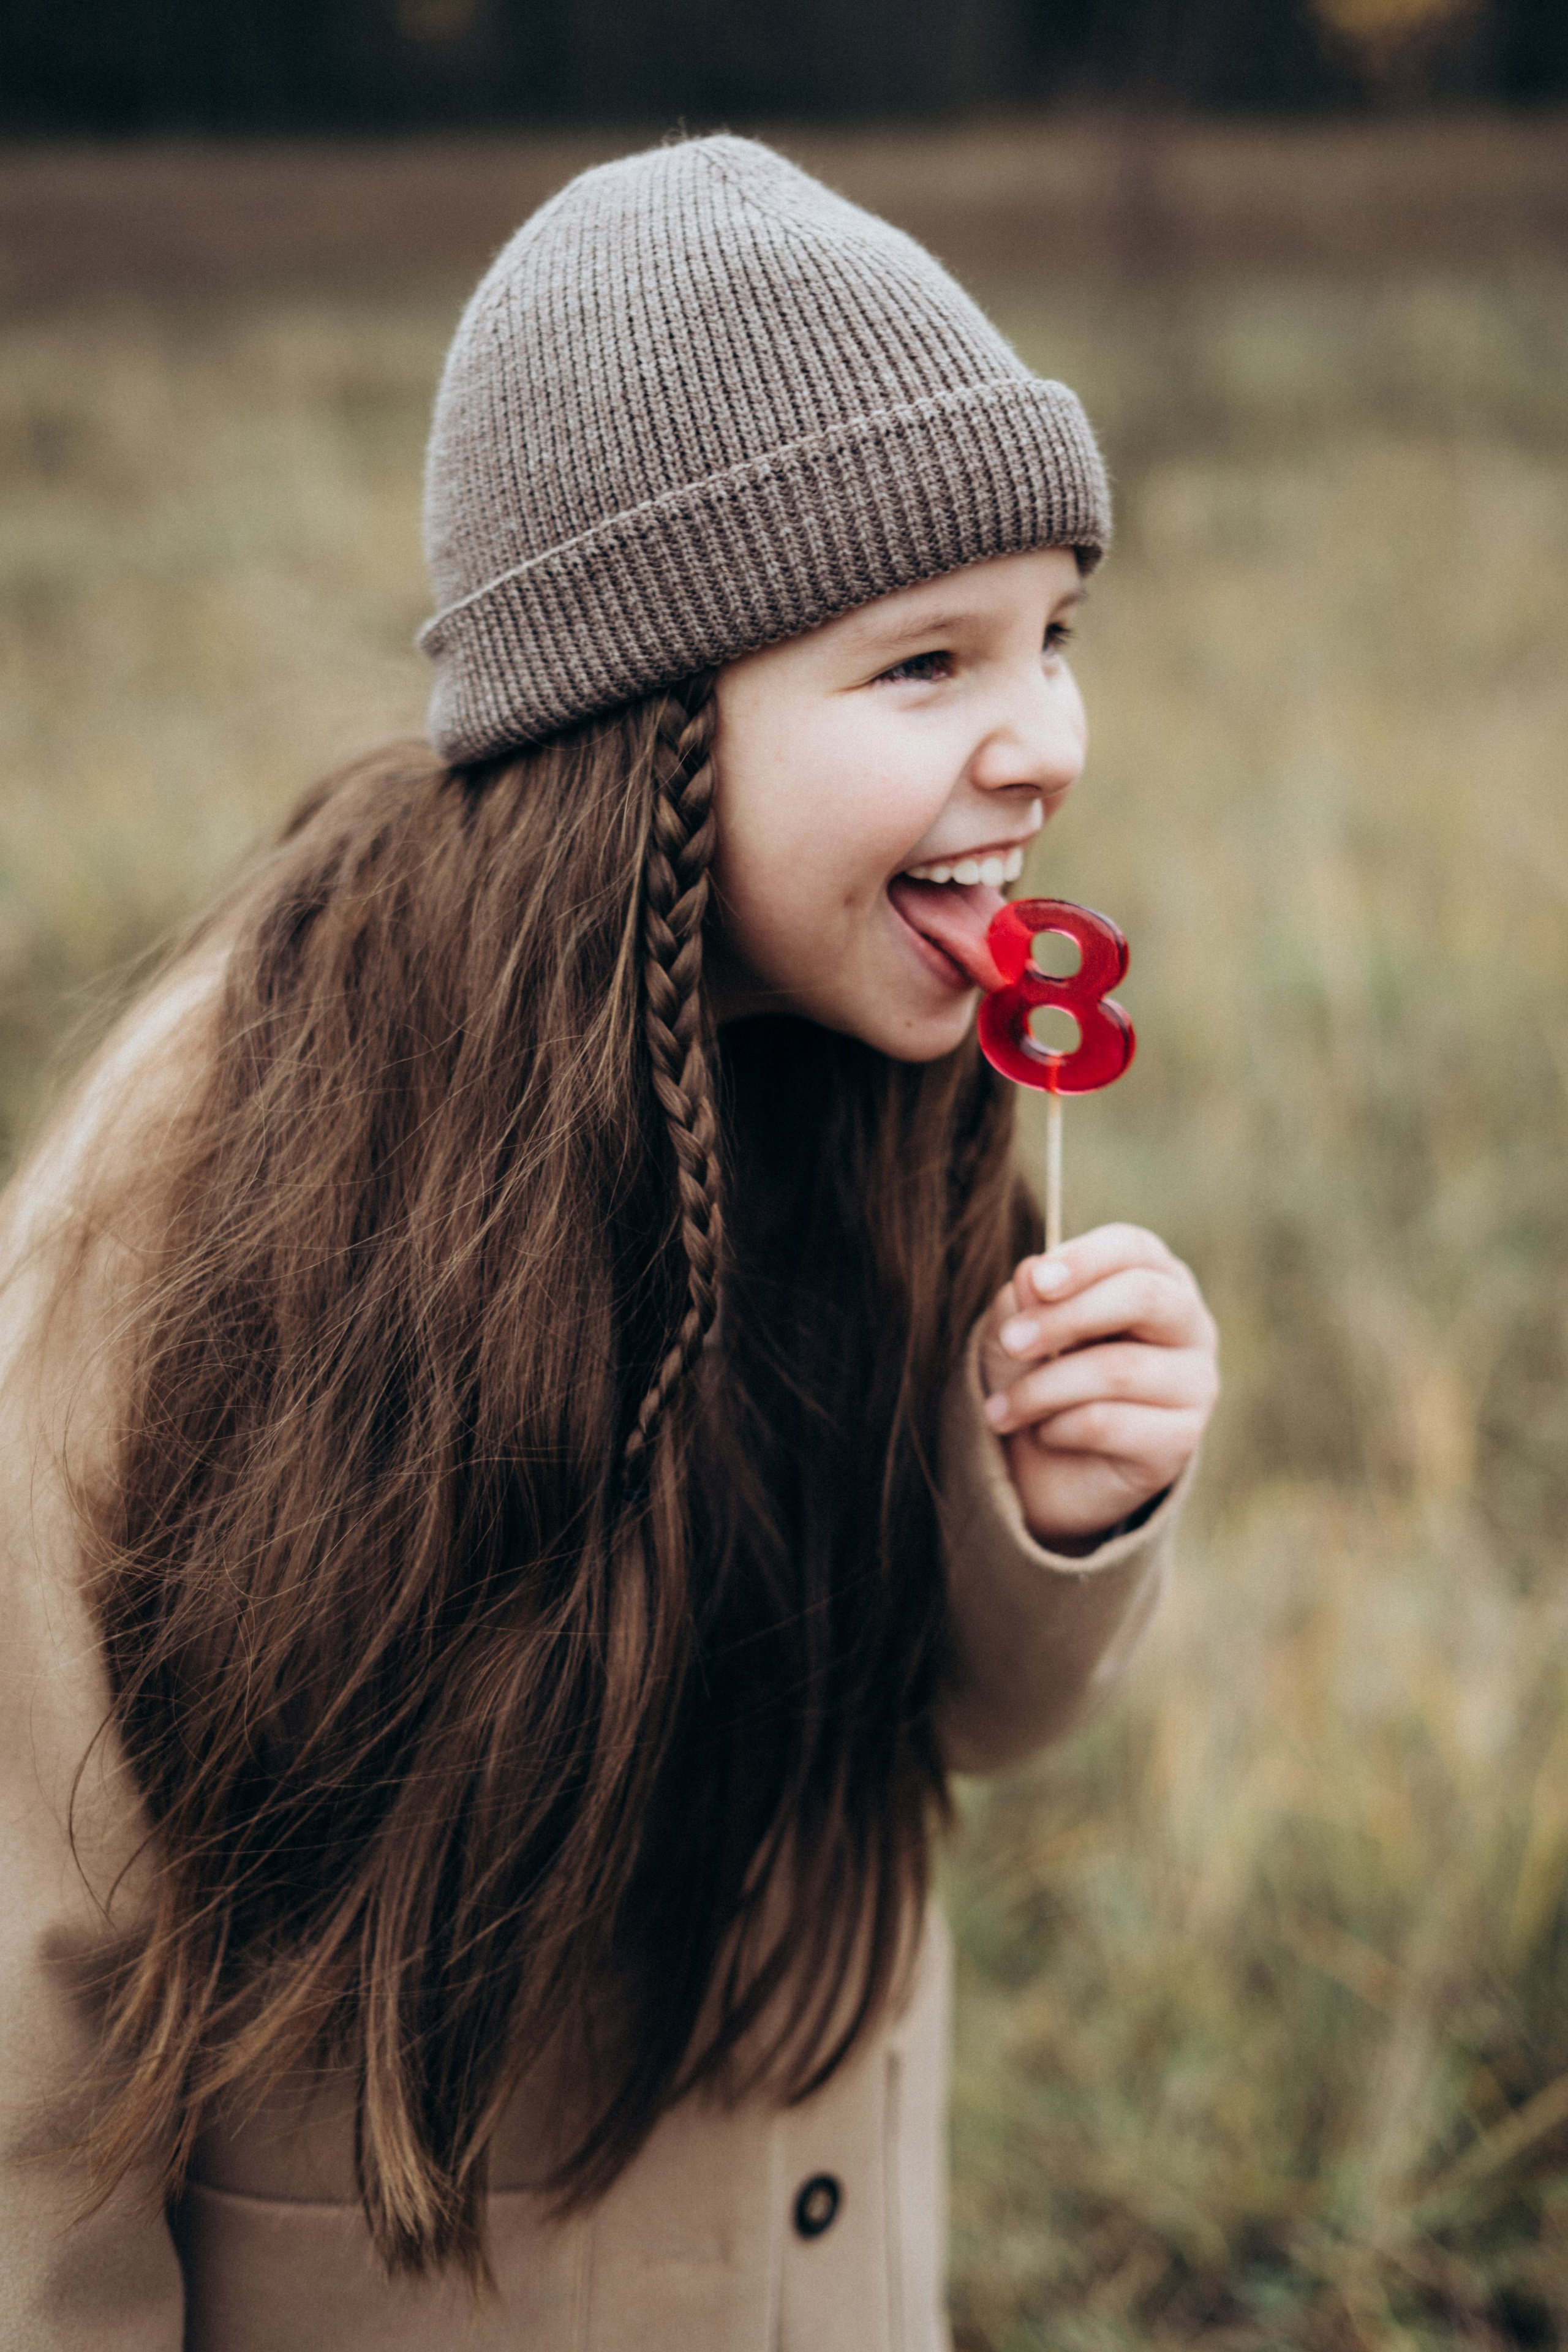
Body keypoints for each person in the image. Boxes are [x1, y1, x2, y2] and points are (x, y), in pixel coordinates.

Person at [0, 137, 1218, 2351]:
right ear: (641, 730)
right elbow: (24, 1980)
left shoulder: (929, 1074)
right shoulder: (219, 1172)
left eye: (1053, 634)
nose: (1043, 736)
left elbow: (968, 1724)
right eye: (923, 663)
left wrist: (1056, 1516)